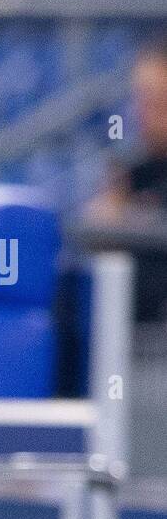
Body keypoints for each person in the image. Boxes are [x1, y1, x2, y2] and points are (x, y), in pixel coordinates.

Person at [88, 34, 167, 322]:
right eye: (140, 99)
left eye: (156, 100)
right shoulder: (130, 169)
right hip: (128, 327)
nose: (144, 113)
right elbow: (98, 229)